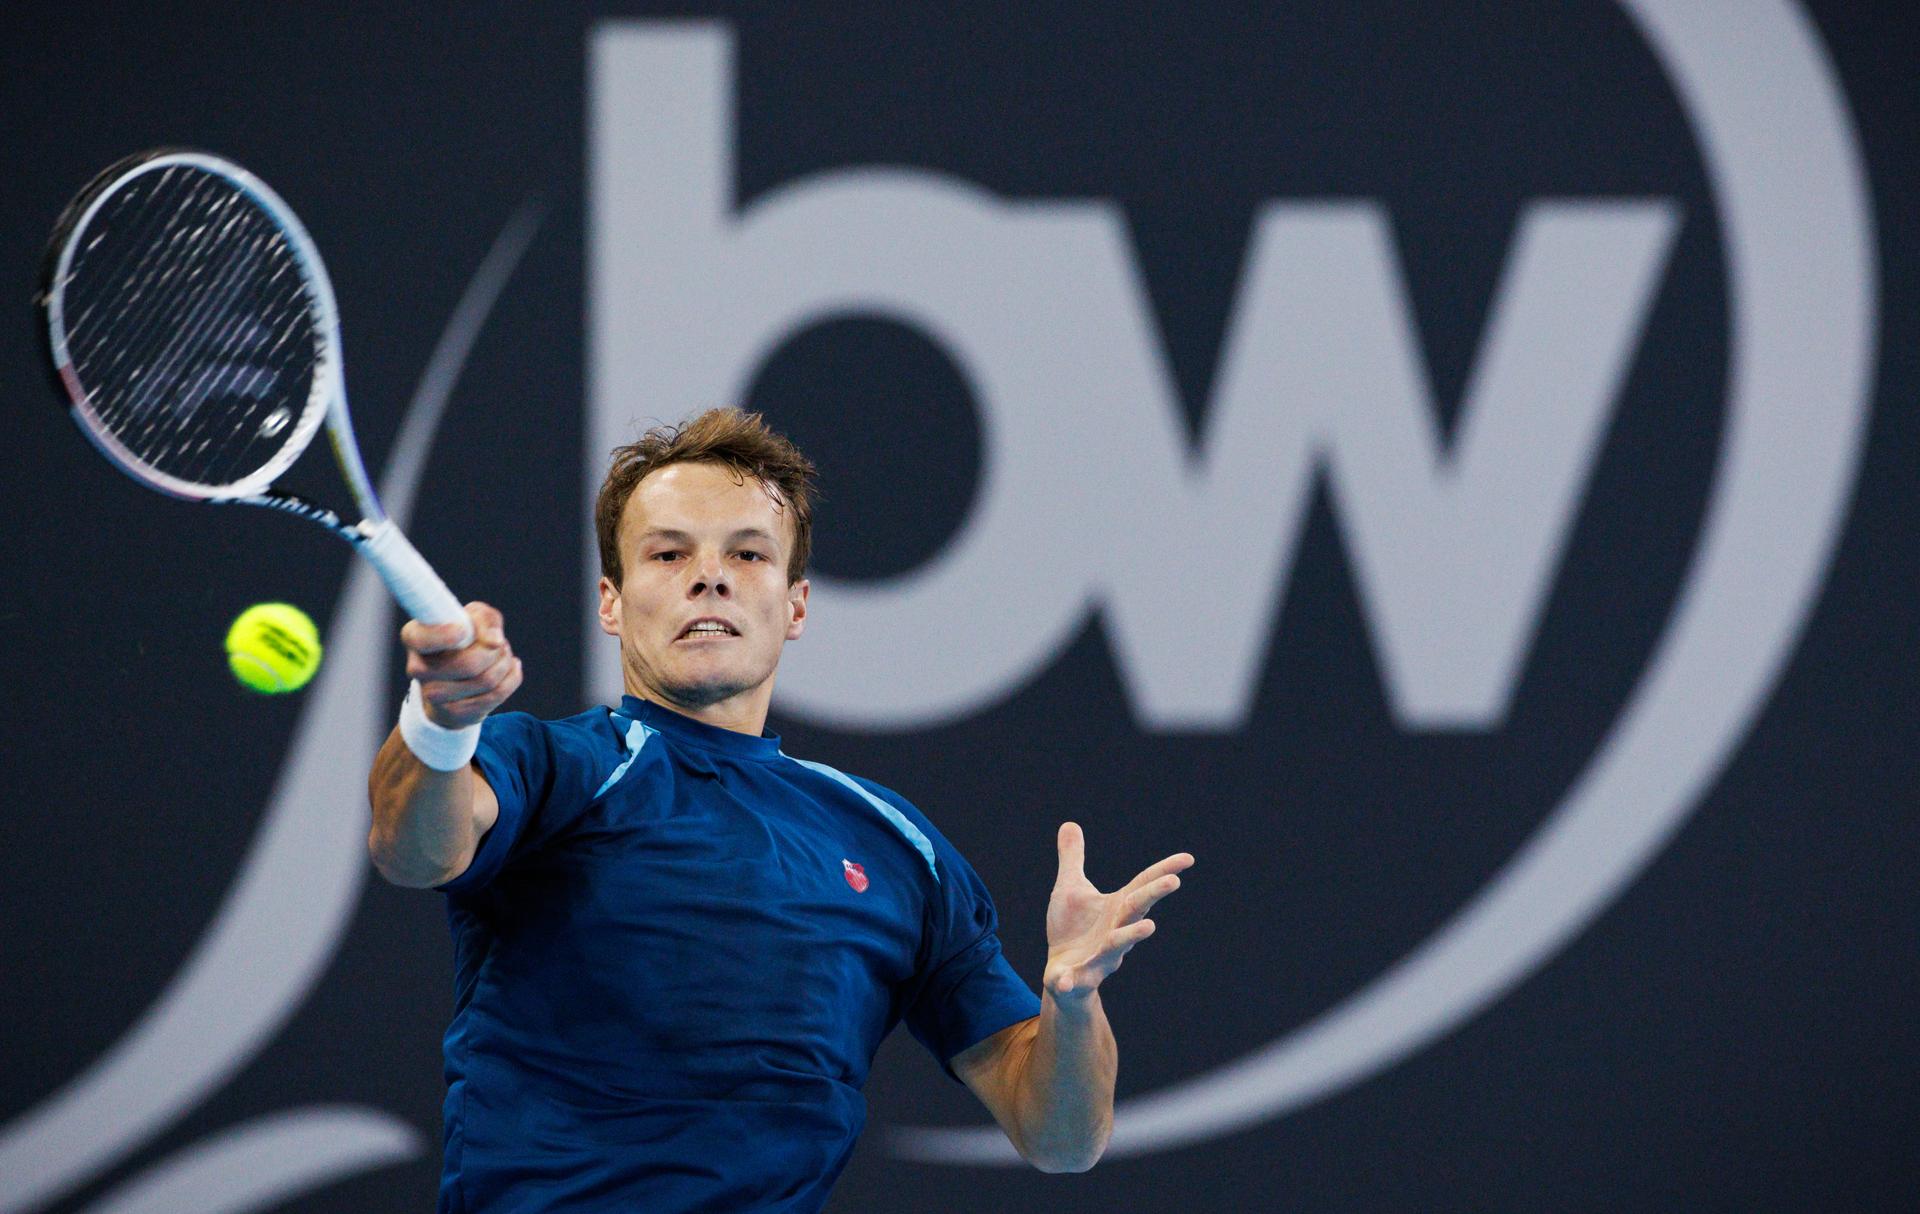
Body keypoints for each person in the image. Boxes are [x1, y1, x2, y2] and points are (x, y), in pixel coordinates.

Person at [367, 407, 1193, 1212]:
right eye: (667, 553)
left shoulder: (898, 849)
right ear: (611, 601)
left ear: (795, 606)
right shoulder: (558, 767)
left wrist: (1072, 1000)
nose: (710, 575)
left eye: (749, 554)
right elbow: (413, 849)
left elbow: (1061, 1139)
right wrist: (441, 726)